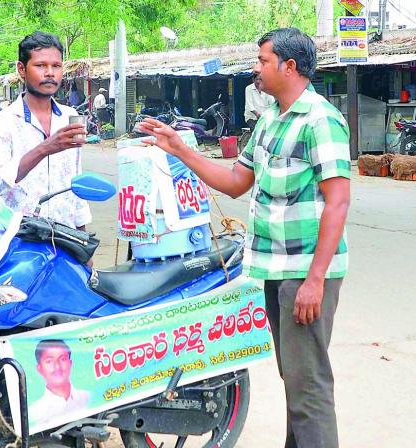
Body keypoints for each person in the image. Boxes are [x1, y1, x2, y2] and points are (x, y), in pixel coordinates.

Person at [139, 28, 350, 448]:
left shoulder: (321, 121)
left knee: (308, 386)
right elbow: (236, 181)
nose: (256, 68)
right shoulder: (271, 118)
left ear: (289, 67)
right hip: (274, 270)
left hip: (305, 272)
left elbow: (339, 202)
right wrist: (180, 149)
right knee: (294, 376)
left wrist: (315, 279)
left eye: (263, 61)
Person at [0, 31, 90, 231]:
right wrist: (45, 149)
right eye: (41, 65)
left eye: (56, 66)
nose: (50, 72)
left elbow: (75, 187)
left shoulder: (70, 116)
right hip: (19, 241)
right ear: (21, 69)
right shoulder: (5, 121)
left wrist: (83, 247)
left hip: (65, 241)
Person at [29, 339, 91, 425]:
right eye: (49, 361)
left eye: (63, 359)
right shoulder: (34, 413)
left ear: (70, 363)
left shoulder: (88, 398)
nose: (57, 367)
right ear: (39, 369)